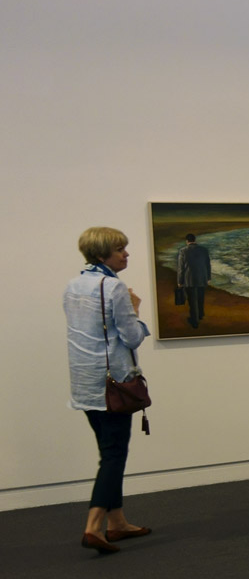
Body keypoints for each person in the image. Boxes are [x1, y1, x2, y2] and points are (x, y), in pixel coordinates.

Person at [63, 227, 153, 555]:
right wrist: (136, 310)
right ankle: (94, 526)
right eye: (120, 250)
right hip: (113, 384)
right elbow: (131, 337)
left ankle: (117, 524)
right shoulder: (113, 287)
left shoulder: (73, 286)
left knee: (108, 450)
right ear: (103, 255)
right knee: (114, 455)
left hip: (85, 384)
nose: (126, 254)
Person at [175, 233, 212, 328]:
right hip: (202, 278)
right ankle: (200, 315)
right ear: (195, 240)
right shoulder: (204, 250)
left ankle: (194, 321)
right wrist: (208, 277)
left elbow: (181, 268)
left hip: (189, 279)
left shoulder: (183, 251)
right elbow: (208, 265)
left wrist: (180, 281)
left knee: (192, 301)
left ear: (187, 241)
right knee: (200, 298)